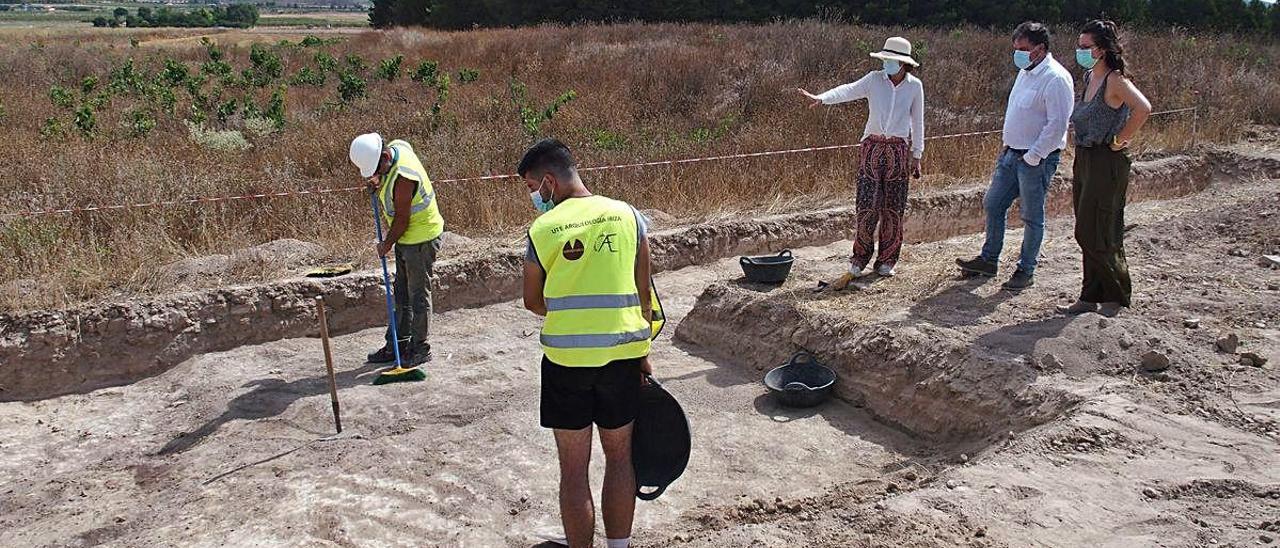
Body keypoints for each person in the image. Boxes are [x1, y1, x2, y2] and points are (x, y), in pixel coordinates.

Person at [520, 139, 654, 548]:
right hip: (622, 360)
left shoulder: (543, 230)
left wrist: (571, 312)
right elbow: (643, 294)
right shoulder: (629, 217)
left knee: (574, 470)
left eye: (530, 187)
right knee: (620, 459)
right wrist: (644, 355)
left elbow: (532, 300)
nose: (532, 197)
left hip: (565, 364)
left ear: (549, 182)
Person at [799, 36, 925, 289]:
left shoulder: (914, 86)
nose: (887, 64)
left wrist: (917, 155)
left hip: (898, 150)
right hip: (872, 147)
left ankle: (887, 260)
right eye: (886, 60)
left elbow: (917, 121)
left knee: (893, 208)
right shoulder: (874, 80)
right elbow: (848, 89)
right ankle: (859, 259)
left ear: (904, 63)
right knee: (866, 205)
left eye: (892, 61)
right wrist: (823, 98)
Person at [957, 22, 1075, 291]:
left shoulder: (1056, 78)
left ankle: (1026, 269)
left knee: (1032, 216)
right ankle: (989, 260)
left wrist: (1034, 156)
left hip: (1036, 160)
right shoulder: (1026, 71)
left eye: (1023, 49)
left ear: (1040, 48)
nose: (1018, 54)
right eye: (1016, 49)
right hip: (1011, 154)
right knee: (993, 203)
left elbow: (1057, 125)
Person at [1058, 20, 1151, 317]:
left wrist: (1119, 141)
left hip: (1105, 160)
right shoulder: (1089, 77)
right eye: (1079, 45)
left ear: (1102, 49)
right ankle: (1089, 295)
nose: (1080, 51)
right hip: (1085, 158)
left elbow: (1143, 108)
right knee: (1086, 226)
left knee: (1098, 228)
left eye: (1086, 46)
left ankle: (1116, 294)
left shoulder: (1115, 80)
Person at [348, 133, 445, 367]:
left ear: (384, 156)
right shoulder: (396, 147)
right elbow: (387, 174)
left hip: (421, 239)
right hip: (406, 238)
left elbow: (402, 219)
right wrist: (378, 180)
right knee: (401, 294)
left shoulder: (403, 178)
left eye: (377, 169)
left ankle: (420, 348)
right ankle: (397, 345)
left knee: (418, 296)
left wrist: (385, 245)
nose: (375, 173)